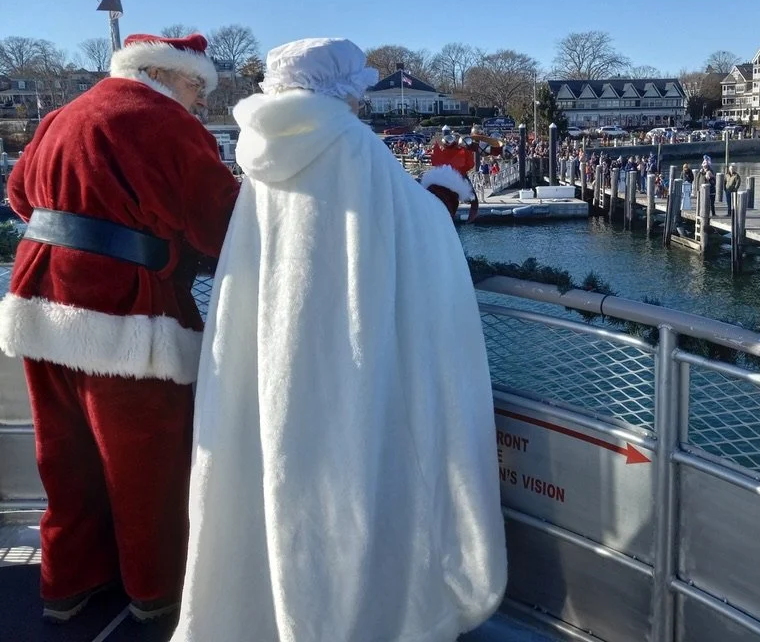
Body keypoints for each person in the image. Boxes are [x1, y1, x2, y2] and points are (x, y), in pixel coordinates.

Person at [171, 38, 506, 642]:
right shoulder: (350, 145)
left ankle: (262, 612)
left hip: (275, 349)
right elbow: (419, 228)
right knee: (349, 474)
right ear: (338, 84)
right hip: (347, 351)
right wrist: (446, 180)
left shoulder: (258, 154)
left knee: (274, 471)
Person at [0, 33, 240, 622]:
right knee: (146, 463)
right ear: (167, 75)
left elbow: (18, 196)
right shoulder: (167, 124)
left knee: (65, 456)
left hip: (39, 301)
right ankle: (154, 589)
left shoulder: (62, 114)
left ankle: (67, 584)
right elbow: (222, 224)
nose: (200, 103)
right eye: (196, 88)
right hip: (124, 315)